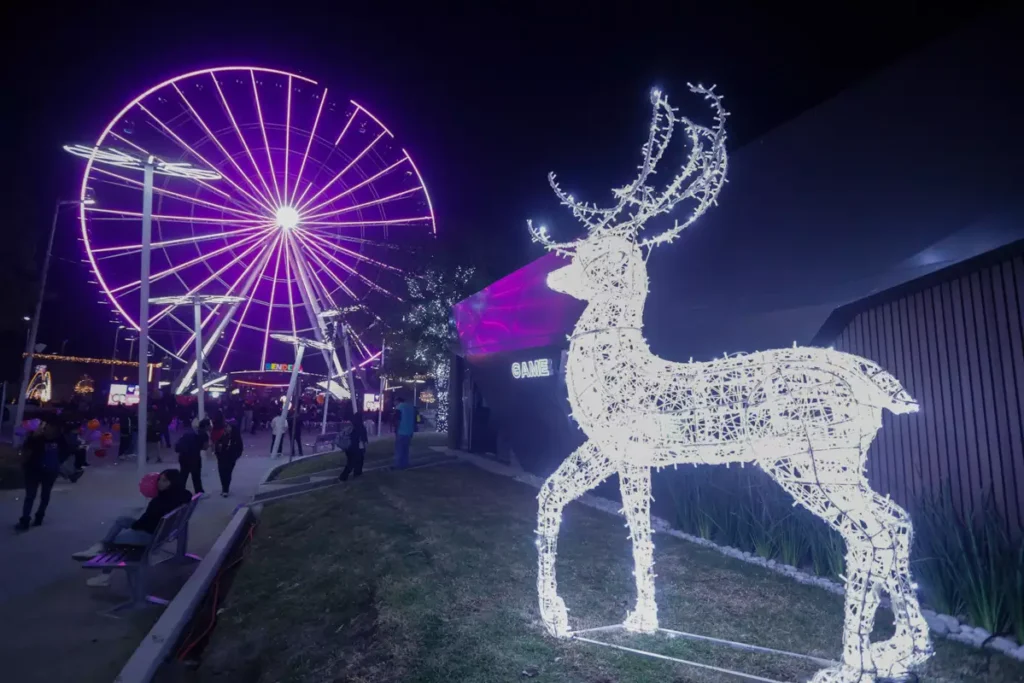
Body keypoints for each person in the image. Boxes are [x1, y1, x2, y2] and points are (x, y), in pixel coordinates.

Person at [71, 469, 192, 586]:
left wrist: (134, 526)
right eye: (160, 479)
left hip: (150, 535)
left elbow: (142, 524)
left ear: (173, 482)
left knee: (116, 540)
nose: (159, 482)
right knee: (121, 520)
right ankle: (99, 546)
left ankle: (104, 574)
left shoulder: (159, 502)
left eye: (165, 480)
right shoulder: (182, 495)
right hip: (160, 532)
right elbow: (148, 520)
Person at [16, 421, 69, 530]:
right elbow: (66, 452)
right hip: (47, 471)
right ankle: (38, 517)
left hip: (34, 470)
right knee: (44, 495)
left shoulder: (37, 439)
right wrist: (58, 462)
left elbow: (26, 451)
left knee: (31, 496)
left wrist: (23, 464)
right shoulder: (60, 440)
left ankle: (26, 519)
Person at [176, 418, 209, 494]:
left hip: (183, 457)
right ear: (206, 426)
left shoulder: (189, 431)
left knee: (183, 475)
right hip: (194, 458)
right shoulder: (204, 434)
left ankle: (179, 492)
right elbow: (205, 447)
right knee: (196, 476)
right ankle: (199, 492)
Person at [215, 423, 244, 497]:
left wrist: (235, 457)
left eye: (228, 427)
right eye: (226, 427)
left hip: (230, 459)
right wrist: (219, 447)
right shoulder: (224, 436)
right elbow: (218, 443)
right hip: (221, 458)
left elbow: (239, 449)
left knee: (227, 473)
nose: (227, 428)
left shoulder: (236, 438)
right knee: (221, 473)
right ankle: (223, 488)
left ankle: (226, 489)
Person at [339, 411, 368, 481]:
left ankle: (345, 477)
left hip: (349, 448)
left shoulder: (351, 427)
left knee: (350, 463)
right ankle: (351, 476)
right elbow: (364, 439)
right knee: (357, 462)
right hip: (357, 448)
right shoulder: (361, 427)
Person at [394, 396, 416, 470]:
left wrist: (396, 430)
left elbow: (397, 420)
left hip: (401, 431)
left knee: (399, 449)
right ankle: (405, 463)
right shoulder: (411, 407)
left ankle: (398, 465)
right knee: (406, 449)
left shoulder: (399, 408)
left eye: (395, 402)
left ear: (398, 401)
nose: (394, 403)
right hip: (409, 431)